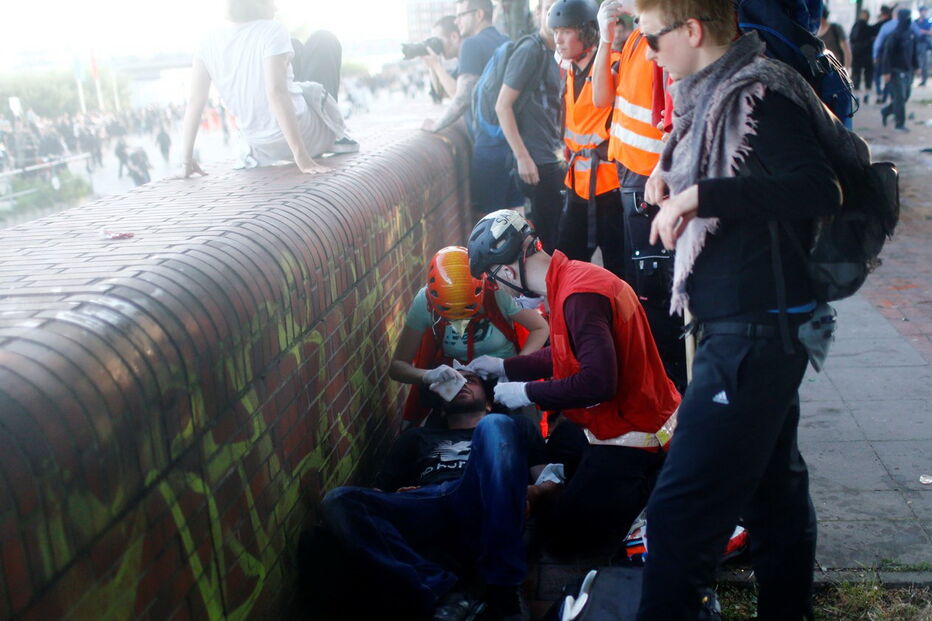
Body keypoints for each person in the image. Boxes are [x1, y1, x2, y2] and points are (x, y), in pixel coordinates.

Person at [631, 0, 858, 617]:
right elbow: (734, 167)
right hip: (752, 328)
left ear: (693, 31)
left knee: (680, 512)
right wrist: (670, 182)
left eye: (652, 38)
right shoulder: (712, 96)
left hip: (755, 336)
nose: (648, 52)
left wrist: (699, 196)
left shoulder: (760, 92)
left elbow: (818, 189)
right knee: (772, 495)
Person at [465, 209, 681, 555]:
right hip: (621, 419)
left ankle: (651, 498)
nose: (500, 290)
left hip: (638, 435)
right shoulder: (572, 279)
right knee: (559, 449)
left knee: (567, 540)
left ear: (507, 270)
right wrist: (506, 367)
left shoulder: (578, 297)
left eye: (494, 281)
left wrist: (525, 392)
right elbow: (566, 353)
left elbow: (598, 383)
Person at [320, 370, 547, 620]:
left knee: (495, 425)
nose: (461, 384)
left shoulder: (513, 426)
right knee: (338, 500)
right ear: (441, 407)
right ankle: (445, 592)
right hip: (427, 501)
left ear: (490, 402)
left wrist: (527, 493)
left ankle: (503, 589)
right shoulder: (416, 437)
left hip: (477, 494)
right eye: (451, 382)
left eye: (470, 380)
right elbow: (377, 494)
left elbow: (552, 480)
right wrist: (398, 495)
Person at [592, 0, 687, 392]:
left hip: (652, 181)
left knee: (658, 294)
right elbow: (602, 99)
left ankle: (673, 392)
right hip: (630, 178)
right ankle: (664, 393)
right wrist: (603, 39)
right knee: (645, 290)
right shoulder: (633, 39)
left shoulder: (660, 39)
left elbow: (677, 112)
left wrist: (662, 170)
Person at [181, 0, 357, 178]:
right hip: (306, 137)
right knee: (323, 38)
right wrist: (302, 158)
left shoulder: (206, 42)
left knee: (293, 45)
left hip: (261, 147)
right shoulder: (273, 29)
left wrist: (186, 160)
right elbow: (276, 91)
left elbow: (195, 101)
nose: (276, 8)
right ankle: (335, 131)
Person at [389, 246, 548, 426]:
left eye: (469, 312)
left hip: (505, 382)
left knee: (525, 431)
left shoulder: (494, 291)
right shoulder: (424, 303)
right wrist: (428, 376)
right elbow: (397, 367)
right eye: (450, 316)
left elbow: (540, 328)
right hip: (457, 389)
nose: (461, 322)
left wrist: (512, 367)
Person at [549, 0, 627, 279]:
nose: (558, 39)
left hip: (610, 185)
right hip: (577, 183)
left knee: (619, 267)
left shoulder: (614, 65)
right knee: (566, 264)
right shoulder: (571, 71)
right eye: (556, 31)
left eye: (567, 31)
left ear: (587, 32)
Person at [424, 0, 523, 218]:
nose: (457, 21)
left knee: (486, 222)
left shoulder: (471, 44)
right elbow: (445, 91)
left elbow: (461, 98)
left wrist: (436, 127)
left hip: (488, 146)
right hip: (512, 145)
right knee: (515, 219)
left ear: (478, 14)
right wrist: (434, 64)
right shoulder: (505, 41)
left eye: (461, 15)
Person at [495, 0, 565, 253]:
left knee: (557, 236)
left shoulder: (557, 53)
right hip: (536, 163)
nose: (554, 15)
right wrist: (523, 157)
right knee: (545, 242)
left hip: (554, 159)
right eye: (547, 9)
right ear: (537, 14)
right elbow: (502, 106)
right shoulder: (530, 50)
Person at [881, 9, 919, 133]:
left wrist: (916, 66)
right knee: (900, 98)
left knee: (905, 96)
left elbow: (913, 53)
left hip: (908, 71)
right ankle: (899, 124)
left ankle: (887, 111)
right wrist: (886, 72)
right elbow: (887, 54)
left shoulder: (911, 34)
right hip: (896, 71)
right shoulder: (894, 35)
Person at [423, 16, 463, 101]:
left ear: (454, 37)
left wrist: (436, 65)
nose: (438, 45)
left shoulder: (470, 56)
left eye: (439, 41)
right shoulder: (460, 63)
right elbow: (442, 92)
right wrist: (432, 65)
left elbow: (459, 97)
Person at [849, 10, 876, 102]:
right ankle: (866, 95)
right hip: (867, 55)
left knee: (856, 75)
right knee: (868, 75)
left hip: (856, 54)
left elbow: (852, 39)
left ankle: (857, 96)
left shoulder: (855, 26)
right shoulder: (869, 28)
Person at [916, 6, 932, 86]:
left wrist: (923, 31)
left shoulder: (929, 21)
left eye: (925, 11)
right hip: (916, 43)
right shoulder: (915, 21)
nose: (923, 12)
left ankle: (923, 80)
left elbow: (931, 32)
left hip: (924, 43)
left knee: (924, 63)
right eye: (922, 11)